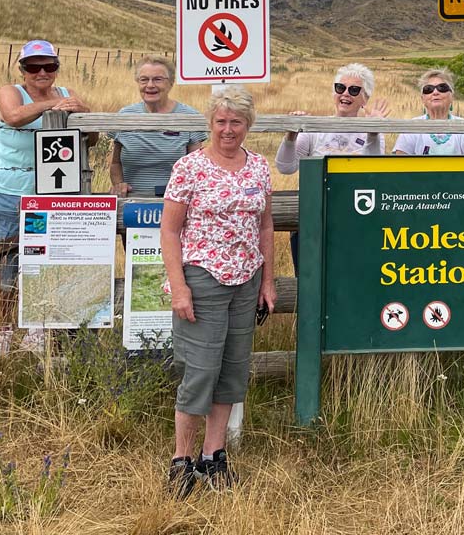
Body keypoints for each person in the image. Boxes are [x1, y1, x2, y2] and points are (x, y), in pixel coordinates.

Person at [161, 86, 275, 496]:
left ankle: (214, 457)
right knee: (200, 370)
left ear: (249, 125)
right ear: (210, 123)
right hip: (203, 277)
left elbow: (264, 226)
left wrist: (267, 281)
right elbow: (170, 230)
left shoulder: (259, 167)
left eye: (237, 122)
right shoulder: (189, 168)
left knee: (231, 370)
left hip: (245, 279)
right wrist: (179, 288)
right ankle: (181, 460)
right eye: (221, 121)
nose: (228, 130)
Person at [0, 40, 91, 294]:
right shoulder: (10, 91)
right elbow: (13, 117)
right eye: (33, 67)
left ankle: (39, 321)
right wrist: (50, 105)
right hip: (11, 189)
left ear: (57, 68)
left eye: (49, 66)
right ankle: (4, 324)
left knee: (47, 252)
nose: (42, 73)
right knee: (5, 252)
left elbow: (90, 140)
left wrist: (83, 112)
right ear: (22, 70)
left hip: (56, 191)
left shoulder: (68, 94)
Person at [275, 62, 389, 268]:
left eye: (354, 90)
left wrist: (373, 131)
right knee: (309, 278)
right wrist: (291, 135)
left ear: (365, 99)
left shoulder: (372, 134)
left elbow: (375, 170)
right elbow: (286, 167)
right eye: (340, 88)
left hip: (356, 218)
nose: (346, 94)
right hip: (313, 219)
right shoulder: (315, 129)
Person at [109, 56, 204, 197]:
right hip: (131, 202)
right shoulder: (125, 116)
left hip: (174, 201)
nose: (150, 85)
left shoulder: (188, 116)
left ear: (171, 83)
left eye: (158, 79)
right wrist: (118, 184)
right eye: (144, 79)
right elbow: (115, 163)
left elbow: (195, 168)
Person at [393, 68, 464, 156]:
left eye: (442, 88)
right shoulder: (411, 127)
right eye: (428, 89)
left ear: (451, 96)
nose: (435, 92)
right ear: (423, 99)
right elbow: (400, 165)